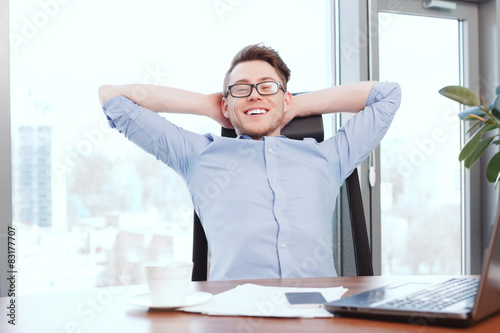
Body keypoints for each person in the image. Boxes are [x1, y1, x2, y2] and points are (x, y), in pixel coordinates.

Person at [99, 43, 401, 281]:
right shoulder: (198, 155)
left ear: (286, 98)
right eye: (241, 88)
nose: (254, 96)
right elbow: (112, 98)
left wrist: (291, 105)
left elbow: (388, 95)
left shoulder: (328, 157)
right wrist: (209, 106)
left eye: (267, 86)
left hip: (317, 316)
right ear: (226, 104)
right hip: (233, 316)